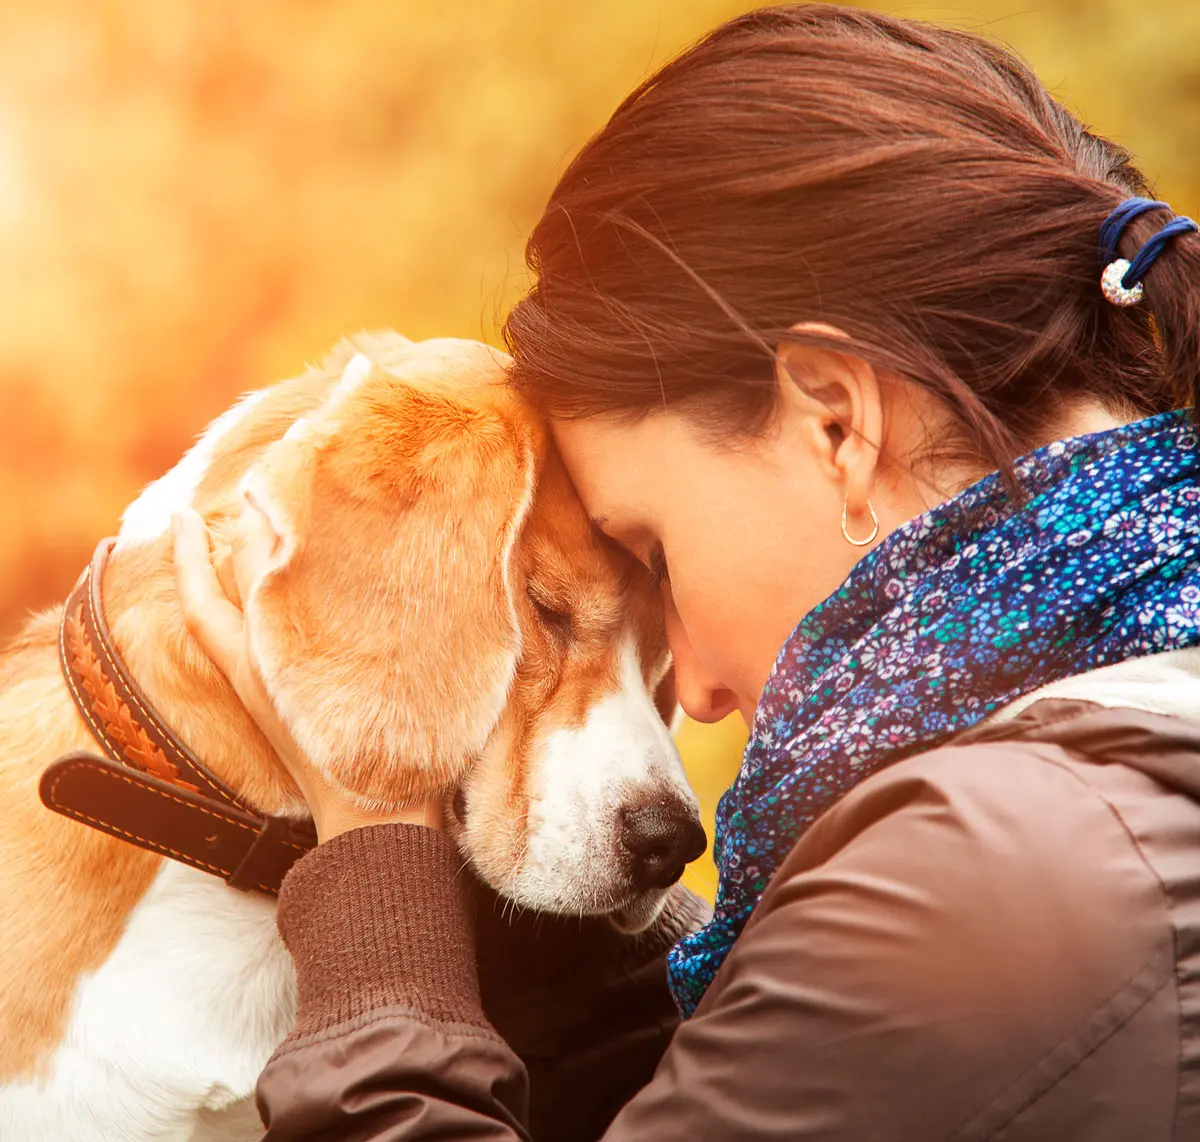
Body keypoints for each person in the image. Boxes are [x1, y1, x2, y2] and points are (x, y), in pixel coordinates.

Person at [173, 5, 1200, 1138]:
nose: (698, 691)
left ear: (836, 422)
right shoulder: (1126, 752)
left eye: (655, 551)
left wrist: (375, 861)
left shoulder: (989, 878)